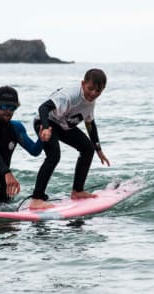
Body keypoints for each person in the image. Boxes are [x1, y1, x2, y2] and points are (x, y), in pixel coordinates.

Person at [30, 68, 110, 209]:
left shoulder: (90, 102)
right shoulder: (69, 95)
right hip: (45, 122)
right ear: (82, 84)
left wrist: (98, 149)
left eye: (98, 91)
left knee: (87, 149)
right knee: (54, 156)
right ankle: (36, 199)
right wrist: (46, 128)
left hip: (62, 125)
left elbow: (90, 123)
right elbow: (43, 108)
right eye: (90, 89)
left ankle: (77, 191)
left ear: (103, 90)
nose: (93, 93)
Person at [0, 86, 45, 212]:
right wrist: (7, 172)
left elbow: (34, 151)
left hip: (3, 192)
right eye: (4, 107)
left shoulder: (16, 128)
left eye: (12, 107)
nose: (8, 111)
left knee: (10, 229)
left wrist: (42, 136)